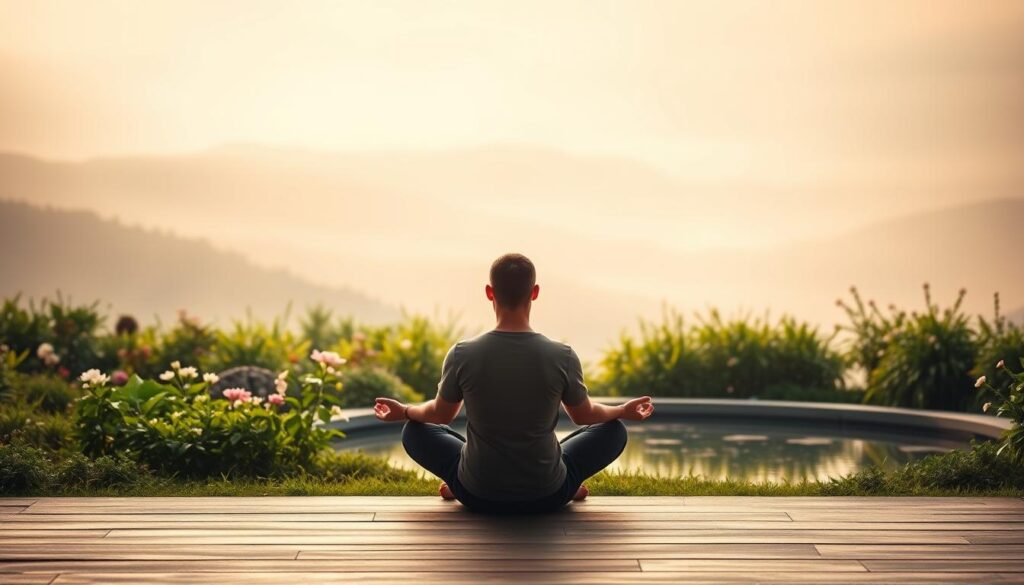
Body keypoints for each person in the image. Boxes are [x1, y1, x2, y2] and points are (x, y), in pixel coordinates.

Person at [374, 253, 654, 513]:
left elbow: (440, 415)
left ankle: (457, 483)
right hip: (547, 495)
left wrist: (406, 411)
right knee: (614, 431)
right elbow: (584, 416)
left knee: (414, 431)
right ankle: (569, 485)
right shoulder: (562, 356)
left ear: (489, 293)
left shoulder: (462, 354)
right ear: (535, 292)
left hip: (477, 494)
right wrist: (621, 410)